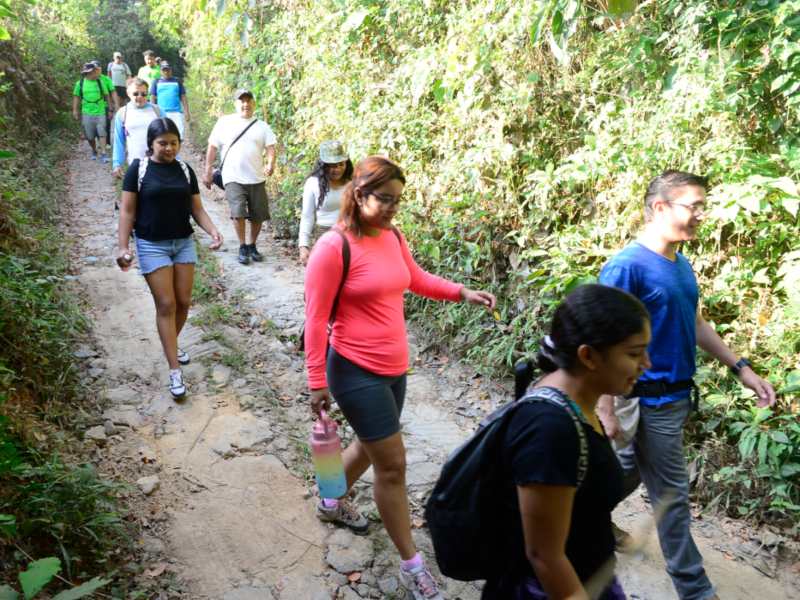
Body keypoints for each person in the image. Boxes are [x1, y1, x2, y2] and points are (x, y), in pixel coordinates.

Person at [304, 156, 497, 600]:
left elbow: (414, 277)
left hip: (394, 369)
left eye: (398, 201)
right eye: (385, 199)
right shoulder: (333, 248)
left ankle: (330, 499)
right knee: (392, 465)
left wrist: (461, 292)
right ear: (359, 193)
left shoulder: (391, 236)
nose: (393, 208)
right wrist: (316, 380)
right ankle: (412, 566)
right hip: (353, 369)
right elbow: (315, 321)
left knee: (368, 448)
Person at [595, 170, 776, 600]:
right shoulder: (626, 267)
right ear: (660, 207)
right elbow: (603, 336)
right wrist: (604, 406)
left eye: (701, 206)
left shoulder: (679, 263)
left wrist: (742, 368)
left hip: (673, 398)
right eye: (692, 205)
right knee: (671, 497)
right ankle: (697, 591)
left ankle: (576, 517)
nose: (700, 214)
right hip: (640, 400)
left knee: (624, 475)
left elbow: (693, 322)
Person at [481, 284, 651, 599]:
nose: (647, 364)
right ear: (588, 356)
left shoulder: (578, 403)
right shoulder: (550, 430)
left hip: (589, 576)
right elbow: (544, 556)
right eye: (634, 353)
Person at [116, 118, 223, 399]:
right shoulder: (138, 170)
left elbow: (196, 209)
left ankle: (171, 344)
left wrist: (213, 231)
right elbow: (127, 211)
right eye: (162, 143)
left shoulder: (185, 171)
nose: (168, 148)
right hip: (152, 244)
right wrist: (123, 247)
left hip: (183, 242)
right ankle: (174, 370)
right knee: (166, 304)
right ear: (151, 144)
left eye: (173, 143)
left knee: (184, 302)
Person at [202, 88, 277, 265]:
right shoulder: (224, 123)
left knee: (258, 215)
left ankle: (252, 244)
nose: (245, 104)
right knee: (238, 212)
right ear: (235, 104)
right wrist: (207, 169)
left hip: (256, 177)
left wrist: (270, 163)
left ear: (254, 103)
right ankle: (242, 246)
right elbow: (212, 146)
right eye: (241, 101)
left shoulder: (262, 126)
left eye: (249, 100)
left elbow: (271, 147)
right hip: (232, 176)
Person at [298, 140, 353, 264]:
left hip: (350, 236)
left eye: (341, 164)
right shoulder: (313, 183)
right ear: (323, 165)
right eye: (332, 166)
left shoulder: (352, 183)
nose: (337, 169)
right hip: (325, 236)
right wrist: (303, 246)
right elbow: (307, 216)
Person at [112, 78, 162, 178]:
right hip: (135, 165)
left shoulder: (157, 111)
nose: (140, 97)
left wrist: (176, 160)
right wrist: (117, 164)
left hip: (159, 163)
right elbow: (119, 141)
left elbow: (169, 137)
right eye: (135, 93)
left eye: (144, 94)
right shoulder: (122, 113)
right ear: (128, 93)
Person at [72, 62, 112, 162]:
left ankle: (103, 153)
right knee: (90, 136)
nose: (97, 73)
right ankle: (94, 150)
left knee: (102, 132)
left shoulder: (100, 82)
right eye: (94, 71)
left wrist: (110, 108)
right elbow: (76, 97)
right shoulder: (80, 83)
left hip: (100, 111)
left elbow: (107, 95)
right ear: (89, 72)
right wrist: (75, 110)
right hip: (86, 112)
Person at [150, 62, 190, 140]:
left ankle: (177, 152)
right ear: (161, 71)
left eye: (167, 70)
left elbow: (183, 97)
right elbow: (152, 97)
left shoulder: (177, 81)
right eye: (164, 70)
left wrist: (187, 112)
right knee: (162, 136)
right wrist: (153, 112)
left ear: (171, 70)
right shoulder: (156, 82)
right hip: (161, 113)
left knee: (178, 136)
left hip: (176, 113)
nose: (166, 72)